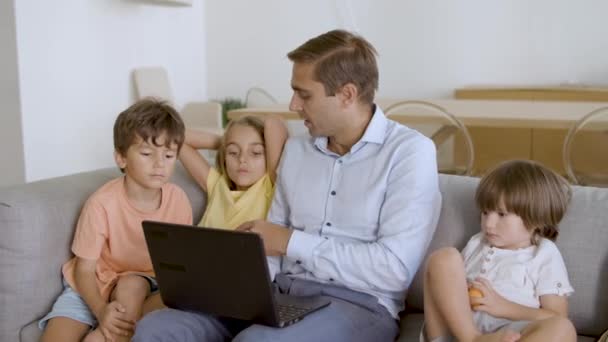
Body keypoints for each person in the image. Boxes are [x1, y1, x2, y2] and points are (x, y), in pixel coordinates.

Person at [133, 29, 441, 342]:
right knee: (157, 329)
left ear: (347, 95)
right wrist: (237, 289)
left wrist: (291, 241)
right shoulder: (296, 152)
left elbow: (394, 269)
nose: (294, 104)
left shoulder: (409, 153)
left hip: (359, 304)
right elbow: (270, 245)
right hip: (277, 293)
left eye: (304, 94)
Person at [39, 99, 193, 342]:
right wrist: (101, 311)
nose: (159, 164)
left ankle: (106, 337)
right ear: (121, 158)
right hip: (93, 284)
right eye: (146, 153)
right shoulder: (101, 203)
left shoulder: (178, 200)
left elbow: (180, 264)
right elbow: (85, 270)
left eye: (168, 154)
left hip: (145, 286)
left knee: (133, 284)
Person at [422, 160, 577, 342]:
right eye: (485, 212)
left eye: (502, 214)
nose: (488, 224)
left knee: (562, 328)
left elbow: (556, 315)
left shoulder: (544, 253)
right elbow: (449, 286)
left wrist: (502, 306)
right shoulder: (477, 242)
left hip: (513, 334)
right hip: (457, 332)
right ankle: (473, 338)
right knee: (443, 258)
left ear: (536, 219)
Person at [178, 114, 288, 230]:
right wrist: (224, 142)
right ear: (224, 158)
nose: (242, 159)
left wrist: (233, 143)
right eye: (233, 152)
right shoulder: (217, 184)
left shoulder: (270, 186)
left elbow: (274, 123)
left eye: (255, 153)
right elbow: (176, 137)